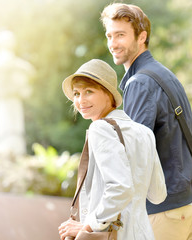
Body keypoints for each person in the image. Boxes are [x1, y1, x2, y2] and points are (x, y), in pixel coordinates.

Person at [100, 3, 192, 240]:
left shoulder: (140, 83)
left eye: (121, 35)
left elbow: (134, 158)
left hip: (165, 211)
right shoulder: (164, 74)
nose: (113, 43)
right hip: (188, 205)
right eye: (109, 35)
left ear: (142, 36)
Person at [58, 59, 167, 240]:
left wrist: (87, 227)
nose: (80, 100)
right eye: (76, 93)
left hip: (115, 235)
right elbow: (158, 195)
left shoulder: (100, 128)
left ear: (108, 94)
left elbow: (120, 187)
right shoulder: (145, 133)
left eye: (89, 92)